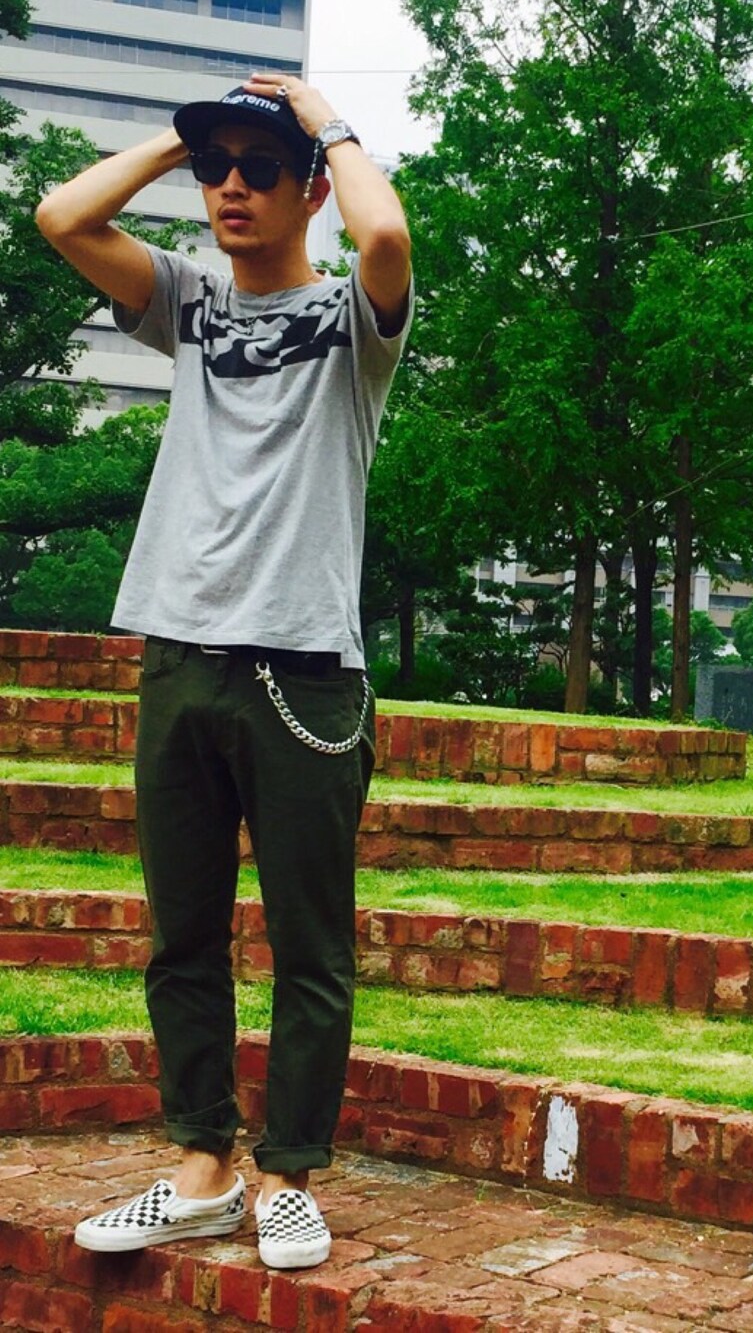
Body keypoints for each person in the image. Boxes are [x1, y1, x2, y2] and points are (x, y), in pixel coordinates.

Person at [36, 73, 412, 1270]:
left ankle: (288, 1173)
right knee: (182, 936)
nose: (231, 187)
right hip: (178, 653)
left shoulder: (354, 322)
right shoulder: (188, 301)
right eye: (217, 169)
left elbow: (386, 236)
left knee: (310, 943)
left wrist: (323, 119)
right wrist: (182, 139)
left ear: (309, 187)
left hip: (304, 672)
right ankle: (202, 1166)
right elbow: (61, 216)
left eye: (258, 168)